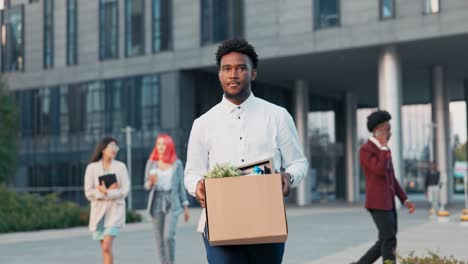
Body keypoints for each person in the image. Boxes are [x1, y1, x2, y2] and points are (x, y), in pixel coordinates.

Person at [184, 39, 309, 263]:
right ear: (219, 74)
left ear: (253, 74)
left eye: (241, 68)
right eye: (226, 69)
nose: (233, 74)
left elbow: (299, 163)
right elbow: (191, 173)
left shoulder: (277, 116)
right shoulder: (203, 123)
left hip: (267, 221)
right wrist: (198, 187)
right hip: (220, 223)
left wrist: (289, 177)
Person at [351, 110, 416, 264]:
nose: (390, 132)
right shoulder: (366, 150)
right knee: (389, 239)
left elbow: (391, 177)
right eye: (387, 129)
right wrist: (383, 147)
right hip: (377, 203)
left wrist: (404, 199)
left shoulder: (384, 150)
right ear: (377, 131)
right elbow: (379, 171)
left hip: (389, 203)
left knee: (384, 240)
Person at [144, 134, 190, 264]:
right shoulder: (151, 163)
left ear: (169, 146)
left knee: (168, 237)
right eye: (158, 144)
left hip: (172, 202)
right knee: (159, 239)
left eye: (164, 144)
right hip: (156, 201)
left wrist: (185, 206)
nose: (161, 147)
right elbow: (146, 184)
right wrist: (150, 183)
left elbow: (181, 186)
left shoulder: (177, 164)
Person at [84, 137, 129, 264]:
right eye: (111, 147)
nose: (114, 150)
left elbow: (125, 191)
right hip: (99, 214)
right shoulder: (92, 168)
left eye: (116, 147)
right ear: (103, 149)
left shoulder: (121, 167)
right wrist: (102, 192)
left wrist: (107, 192)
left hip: (114, 213)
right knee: (104, 249)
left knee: (106, 246)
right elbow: (88, 192)